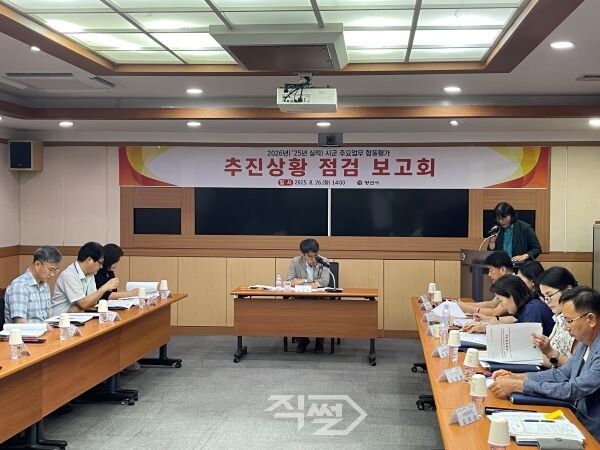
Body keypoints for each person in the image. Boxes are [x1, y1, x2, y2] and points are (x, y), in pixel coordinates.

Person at [490, 287, 600, 442]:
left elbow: (574, 389)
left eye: (569, 321)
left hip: (591, 432)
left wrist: (519, 386)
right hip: (574, 419)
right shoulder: (586, 342)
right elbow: (560, 374)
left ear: (591, 319)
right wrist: (517, 376)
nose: (566, 327)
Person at [463, 274, 554, 336]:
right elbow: (516, 328)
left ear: (512, 295)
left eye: (501, 300)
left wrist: (493, 329)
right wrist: (485, 328)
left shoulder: (533, 308)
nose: (502, 305)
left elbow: (527, 341)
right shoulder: (525, 309)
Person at [287, 238, 330, 354]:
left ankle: (319, 342)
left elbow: (324, 281)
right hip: (300, 297)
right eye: (310, 256)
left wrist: (301, 281)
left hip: (319, 298)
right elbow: (290, 280)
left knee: (322, 310)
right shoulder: (295, 262)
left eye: (315, 255)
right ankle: (303, 341)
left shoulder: (324, 261)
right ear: (303, 254)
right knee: (290, 309)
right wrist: (310, 282)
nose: (313, 259)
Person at [50, 242, 119, 315]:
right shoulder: (69, 275)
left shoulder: (90, 273)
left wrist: (82, 306)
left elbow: (94, 301)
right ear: (89, 260)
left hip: (77, 315)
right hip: (60, 319)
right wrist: (105, 287)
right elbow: (84, 304)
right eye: (100, 263)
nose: (101, 266)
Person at [532, 267, 578, 368]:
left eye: (549, 295)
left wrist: (533, 356)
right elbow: (554, 361)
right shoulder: (559, 317)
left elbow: (576, 366)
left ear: (568, 290)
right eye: (544, 297)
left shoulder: (578, 319)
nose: (546, 301)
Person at [4, 246, 62, 323]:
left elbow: (48, 316)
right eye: (51, 270)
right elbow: (20, 322)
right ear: (37, 265)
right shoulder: (20, 286)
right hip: (25, 331)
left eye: (56, 270)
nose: (52, 274)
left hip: (44, 329)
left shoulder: (44, 285)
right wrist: (45, 328)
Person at [456, 251, 514, 321]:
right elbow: (492, 304)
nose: (489, 274)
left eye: (491, 271)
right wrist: (462, 304)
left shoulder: (513, 285)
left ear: (502, 270)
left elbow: (495, 312)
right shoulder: (506, 283)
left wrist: (467, 308)